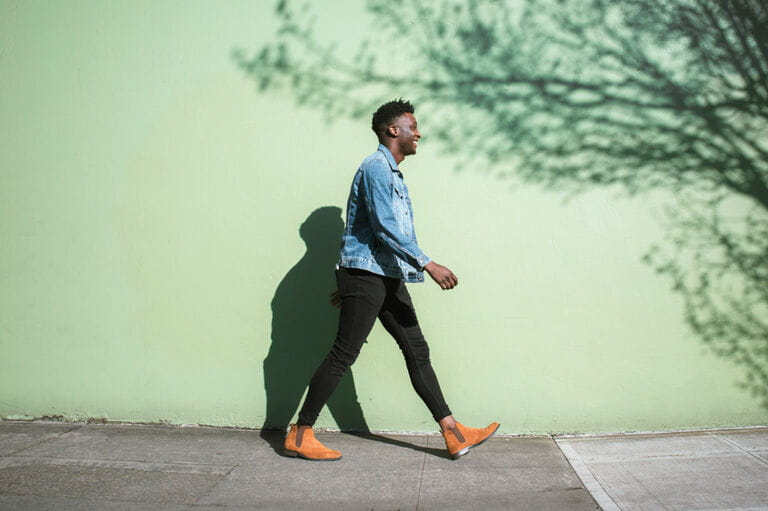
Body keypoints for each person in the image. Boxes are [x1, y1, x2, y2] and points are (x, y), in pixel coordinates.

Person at [283, 99, 499, 461]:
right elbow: (384, 227)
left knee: (417, 349)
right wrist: (428, 264)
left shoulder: (392, 172)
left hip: (384, 274)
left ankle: (453, 432)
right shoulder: (376, 168)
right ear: (393, 130)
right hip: (369, 275)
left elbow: (367, 233)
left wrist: (351, 279)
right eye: (413, 127)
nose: (419, 133)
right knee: (344, 353)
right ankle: (301, 432)